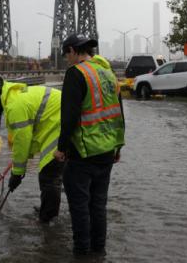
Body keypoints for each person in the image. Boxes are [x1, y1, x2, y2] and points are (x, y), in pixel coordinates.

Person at [54, 34, 125, 256]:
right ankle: (99, 251)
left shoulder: (76, 74)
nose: (67, 59)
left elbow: (69, 117)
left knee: (79, 207)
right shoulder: (108, 74)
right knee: (98, 205)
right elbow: (118, 113)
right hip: (107, 151)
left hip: (83, 153)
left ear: (74, 51)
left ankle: (82, 253)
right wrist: (118, 147)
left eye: (67, 54)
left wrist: (61, 148)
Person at [0, 77, 64, 223]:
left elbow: (22, 140)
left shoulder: (15, 106)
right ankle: (51, 209)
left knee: (49, 175)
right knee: (57, 174)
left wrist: (17, 173)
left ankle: (47, 217)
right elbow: (26, 138)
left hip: (60, 125)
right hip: (57, 122)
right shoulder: (14, 97)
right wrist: (19, 166)